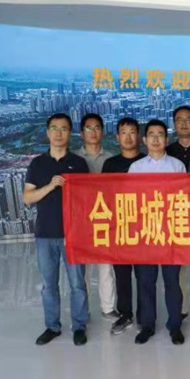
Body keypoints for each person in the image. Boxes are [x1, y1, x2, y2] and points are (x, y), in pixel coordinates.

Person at [23, 113, 89, 346]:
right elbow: (27, 197)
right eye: (54, 128)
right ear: (47, 132)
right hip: (45, 234)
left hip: (73, 235)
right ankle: (52, 326)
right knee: (49, 285)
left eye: (64, 128)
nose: (59, 133)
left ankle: (79, 326)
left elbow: (88, 199)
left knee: (77, 284)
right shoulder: (38, 164)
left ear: (70, 133)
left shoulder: (79, 164)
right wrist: (50, 186)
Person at [129, 120, 186, 345]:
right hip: (145, 232)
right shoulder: (136, 168)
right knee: (145, 281)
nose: (155, 139)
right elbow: (130, 201)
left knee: (172, 281)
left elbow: (184, 198)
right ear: (144, 140)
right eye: (151, 134)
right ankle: (147, 325)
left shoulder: (177, 166)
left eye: (160, 134)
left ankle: (175, 326)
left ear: (166, 139)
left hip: (170, 231)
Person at [102, 117, 146, 335]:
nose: (128, 137)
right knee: (122, 275)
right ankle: (125, 314)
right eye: (123, 133)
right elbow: (103, 195)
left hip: (144, 226)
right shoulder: (110, 164)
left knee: (144, 275)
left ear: (138, 136)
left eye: (132, 132)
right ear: (117, 137)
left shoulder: (148, 162)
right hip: (119, 227)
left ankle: (145, 315)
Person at [165, 105, 190, 325]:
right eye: (179, 120)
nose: (183, 124)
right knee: (177, 266)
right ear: (174, 124)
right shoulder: (166, 152)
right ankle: (180, 310)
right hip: (175, 216)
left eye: (188, 119)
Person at [77, 113, 117, 321]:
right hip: (81, 220)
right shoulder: (73, 159)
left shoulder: (111, 159)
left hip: (106, 219)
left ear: (102, 131)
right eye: (88, 128)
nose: (93, 132)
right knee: (81, 269)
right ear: (81, 132)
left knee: (105, 266)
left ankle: (108, 308)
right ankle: (83, 310)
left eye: (97, 128)